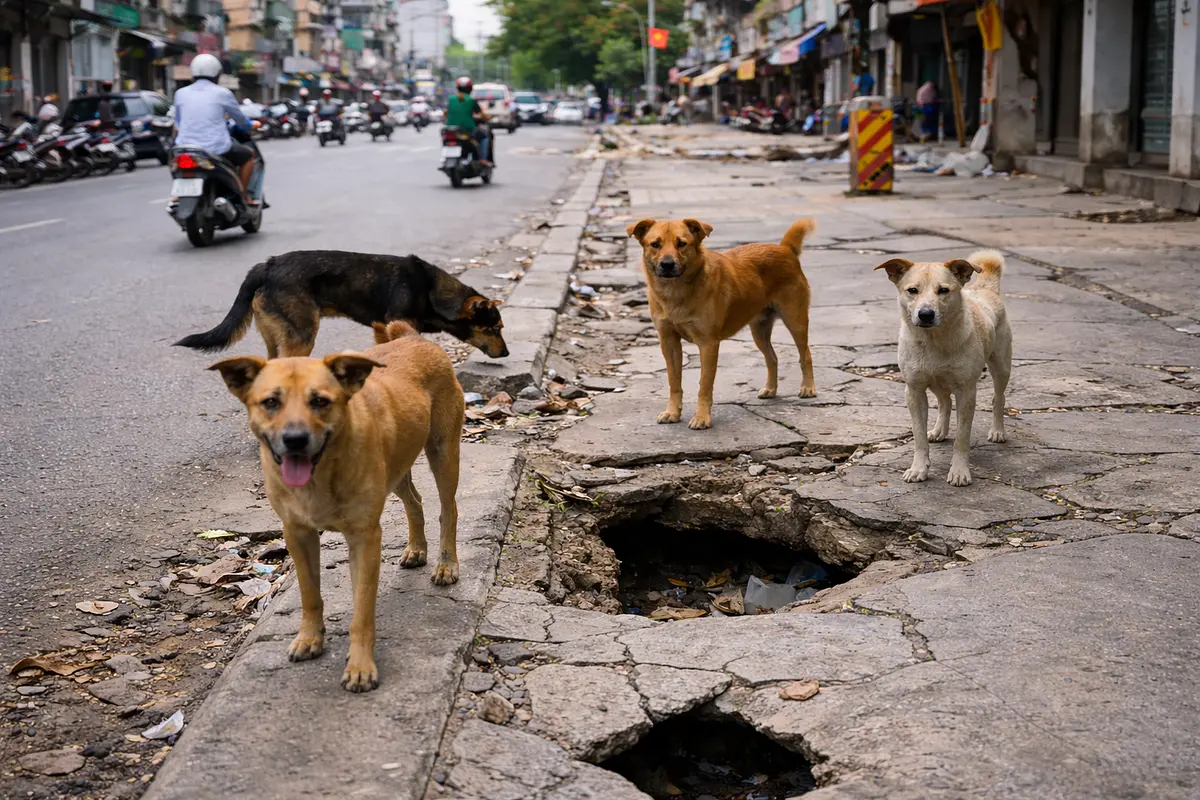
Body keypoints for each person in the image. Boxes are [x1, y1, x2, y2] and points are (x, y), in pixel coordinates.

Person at [173, 53, 261, 205]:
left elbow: (179, 122)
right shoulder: (223, 93)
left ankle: (177, 195)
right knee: (249, 156)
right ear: (217, 73)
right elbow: (240, 120)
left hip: (185, 148)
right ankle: (244, 196)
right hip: (216, 148)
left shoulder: (180, 93)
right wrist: (250, 125)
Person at [445, 76, 492, 167]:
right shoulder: (471, 100)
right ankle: (483, 159)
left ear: (457, 88)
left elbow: (445, 113)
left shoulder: (451, 99)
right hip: (468, 129)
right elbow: (482, 115)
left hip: (450, 129)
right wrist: (489, 117)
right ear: (470, 89)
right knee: (484, 137)